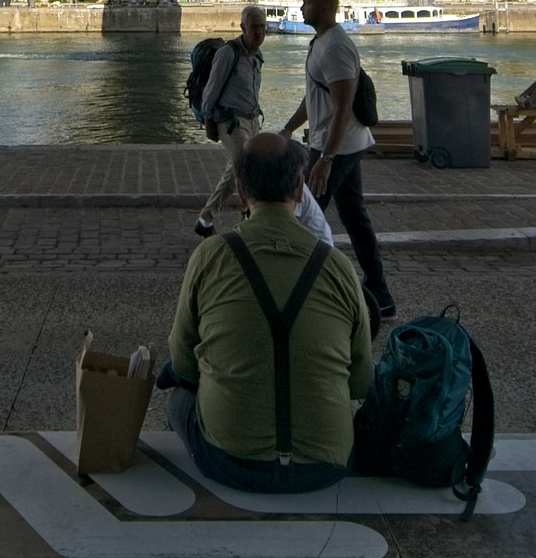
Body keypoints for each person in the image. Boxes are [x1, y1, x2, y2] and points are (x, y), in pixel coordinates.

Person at [155, 131, 376, 495]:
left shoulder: (210, 257)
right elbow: (359, 380)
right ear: (299, 188)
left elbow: (183, 361)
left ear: (240, 191)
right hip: (326, 465)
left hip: (229, 462)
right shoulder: (337, 267)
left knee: (178, 396)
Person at [275, 0, 395, 327]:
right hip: (336, 145)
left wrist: (326, 160)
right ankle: (380, 293)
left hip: (336, 148)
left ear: (325, 7)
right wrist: (288, 128)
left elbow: (342, 109)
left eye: (306, 3)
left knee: (305, 216)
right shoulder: (321, 44)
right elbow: (316, 97)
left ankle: (297, 292)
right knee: (354, 217)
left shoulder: (336, 48)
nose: (300, 8)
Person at [191, 6, 269, 237]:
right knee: (244, 169)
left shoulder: (257, 55)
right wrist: (209, 122)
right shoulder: (228, 53)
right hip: (230, 121)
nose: (259, 32)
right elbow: (212, 90)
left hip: (252, 121)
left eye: (262, 27)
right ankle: (250, 216)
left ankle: (205, 220)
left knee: (235, 170)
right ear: (243, 28)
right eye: (254, 27)